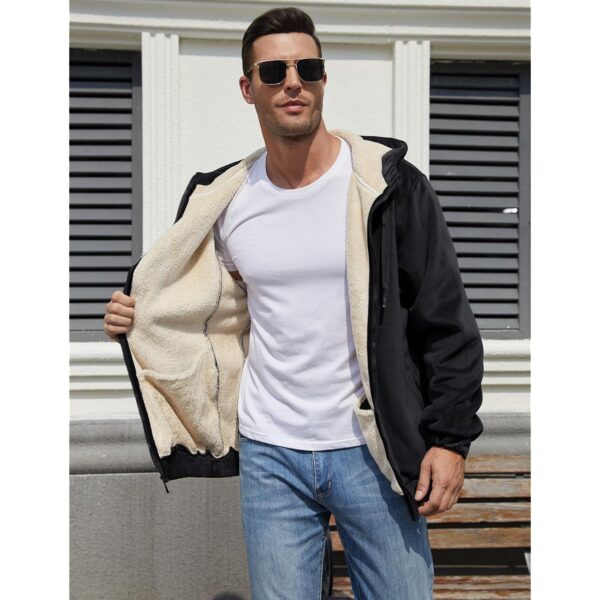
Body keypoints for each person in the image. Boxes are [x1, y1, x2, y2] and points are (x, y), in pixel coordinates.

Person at [104, 6, 484, 599]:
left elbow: (446, 321)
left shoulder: (387, 186)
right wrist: (135, 316)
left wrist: (449, 438)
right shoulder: (226, 201)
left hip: (372, 447)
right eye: (273, 71)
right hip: (271, 451)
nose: (292, 82)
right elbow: (198, 306)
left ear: (323, 79)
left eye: (307, 68)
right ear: (247, 87)